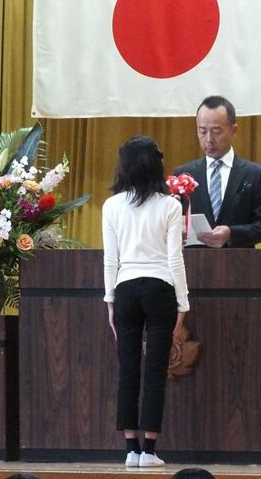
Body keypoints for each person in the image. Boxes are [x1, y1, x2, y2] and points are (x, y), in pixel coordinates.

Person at [103, 135, 190, 467]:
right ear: (157, 165)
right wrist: (183, 303)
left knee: (127, 370)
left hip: (125, 289)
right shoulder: (170, 206)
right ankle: (149, 451)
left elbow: (110, 260)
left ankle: (130, 449)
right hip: (160, 288)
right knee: (155, 370)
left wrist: (110, 300)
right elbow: (175, 259)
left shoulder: (111, 206)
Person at [174, 95, 261, 248]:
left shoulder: (255, 174)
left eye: (216, 131)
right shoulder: (184, 174)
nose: (209, 139)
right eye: (202, 131)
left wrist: (231, 233)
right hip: (194, 259)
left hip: (239, 259)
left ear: (234, 130)